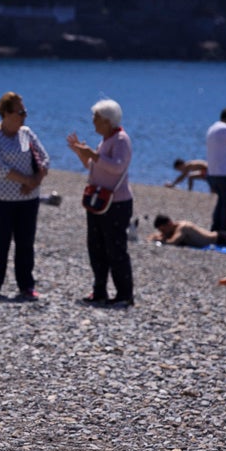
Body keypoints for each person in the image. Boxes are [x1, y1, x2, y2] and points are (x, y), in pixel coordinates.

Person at [0, 92, 48, 301]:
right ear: (7, 113)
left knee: (25, 243)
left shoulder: (27, 133)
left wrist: (35, 179)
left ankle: (26, 285)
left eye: (25, 111)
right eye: (21, 112)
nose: (24, 116)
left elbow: (44, 158)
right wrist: (26, 181)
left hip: (28, 199)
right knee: (0, 241)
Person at [67, 99, 134, 308]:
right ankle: (99, 291)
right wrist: (81, 152)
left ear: (107, 121)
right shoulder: (106, 139)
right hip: (98, 200)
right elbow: (93, 166)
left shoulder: (121, 139)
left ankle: (124, 294)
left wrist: (93, 155)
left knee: (116, 249)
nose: (93, 122)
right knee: (96, 247)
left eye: (96, 118)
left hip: (117, 203)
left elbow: (117, 167)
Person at [149, 214, 226, 252]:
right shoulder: (174, 229)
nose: (163, 232)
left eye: (163, 229)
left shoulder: (183, 227)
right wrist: (157, 237)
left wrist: (160, 240)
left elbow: (173, 242)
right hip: (218, 237)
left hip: (220, 238)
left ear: (169, 223)